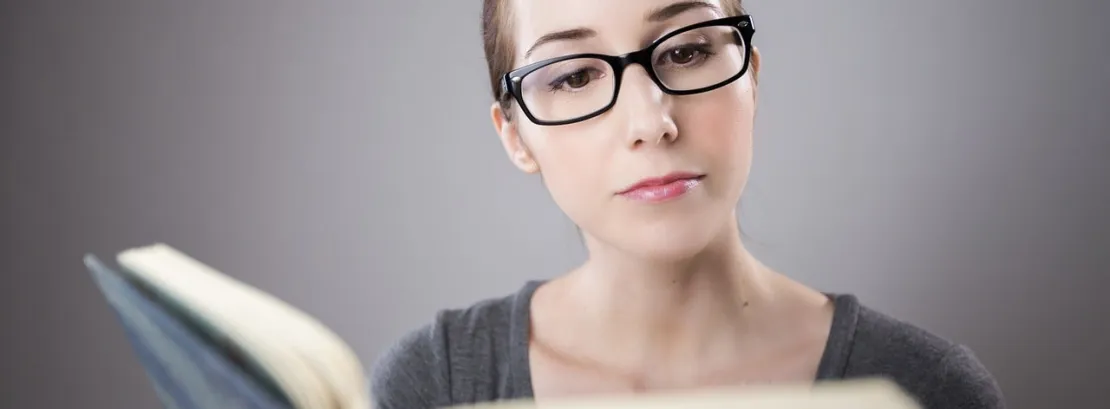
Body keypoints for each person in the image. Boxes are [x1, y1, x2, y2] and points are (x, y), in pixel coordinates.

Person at [370, 0, 1005, 408]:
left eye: (686, 52)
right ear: (515, 136)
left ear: (751, 78)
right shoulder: (437, 384)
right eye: (574, 76)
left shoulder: (926, 387)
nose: (652, 122)